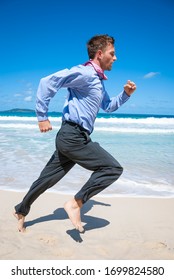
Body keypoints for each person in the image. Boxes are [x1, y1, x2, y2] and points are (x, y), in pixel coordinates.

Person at [14, 34, 136, 233]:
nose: (115, 58)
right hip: (72, 136)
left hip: (73, 137)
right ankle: (76, 203)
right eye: (112, 53)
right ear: (99, 53)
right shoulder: (86, 73)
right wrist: (42, 116)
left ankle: (20, 210)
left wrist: (125, 95)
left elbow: (108, 106)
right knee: (112, 168)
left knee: (46, 179)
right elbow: (47, 82)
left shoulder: (98, 81)